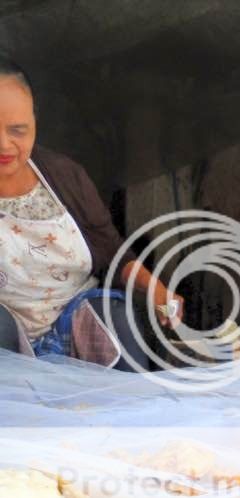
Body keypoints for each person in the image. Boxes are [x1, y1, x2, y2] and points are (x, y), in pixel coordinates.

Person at [0, 57, 182, 370]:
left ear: (35, 121)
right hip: (8, 335)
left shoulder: (65, 175)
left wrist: (159, 291)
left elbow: (111, 249)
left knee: (115, 315)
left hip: (76, 318)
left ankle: (127, 411)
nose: (4, 144)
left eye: (18, 130)